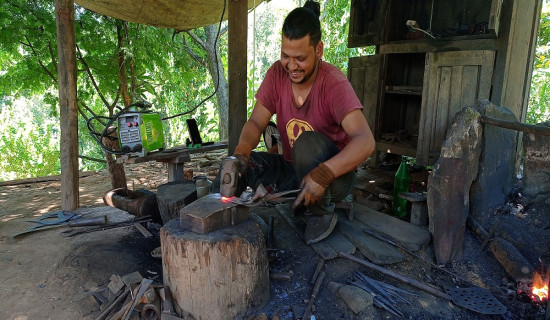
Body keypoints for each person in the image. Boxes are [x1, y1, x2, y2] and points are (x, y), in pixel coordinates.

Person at [225, 0, 375, 244]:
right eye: (285, 56)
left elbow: (366, 142)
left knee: (306, 144)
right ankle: (219, 210)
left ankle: (322, 212)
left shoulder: (334, 84)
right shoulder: (276, 74)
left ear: (319, 51)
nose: (291, 66)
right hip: (295, 171)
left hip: (334, 179)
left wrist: (324, 174)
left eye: (300, 58)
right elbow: (256, 122)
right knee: (246, 164)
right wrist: (242, 152)